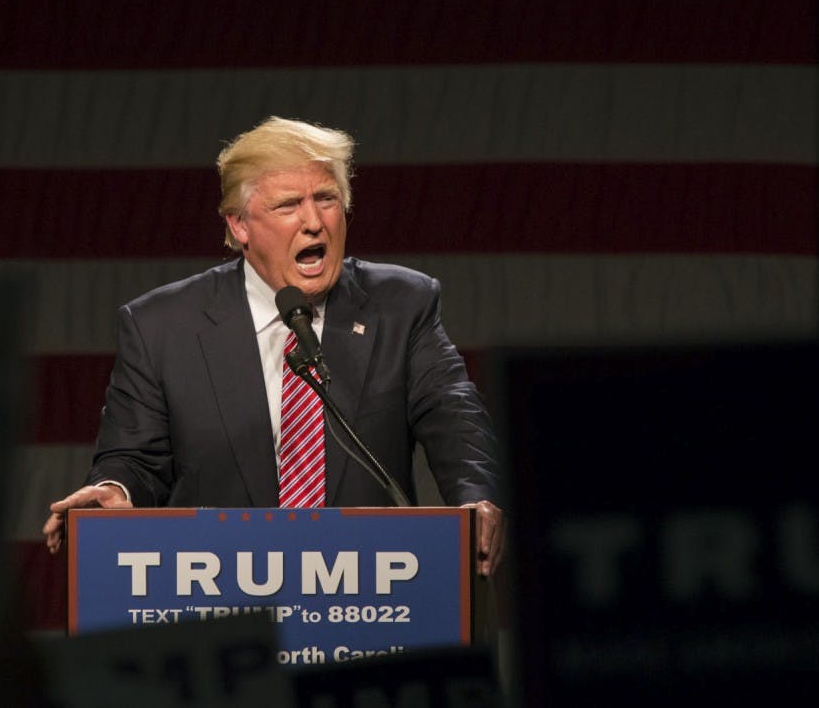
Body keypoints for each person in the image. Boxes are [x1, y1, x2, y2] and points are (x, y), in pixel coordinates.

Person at [43, 117, 505, 575]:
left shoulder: (401, 306)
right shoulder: (160, 328)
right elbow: (133, 458)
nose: (313, 223)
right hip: (221, 599)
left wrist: (475, 496)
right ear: (239, 225)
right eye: (288, 205)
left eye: (326, 199)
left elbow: (455, 418)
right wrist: (116, 491)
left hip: (372, 591)